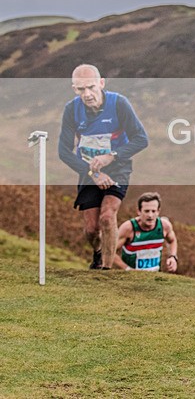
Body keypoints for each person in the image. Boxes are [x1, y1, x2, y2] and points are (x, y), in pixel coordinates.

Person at [58, 64, 149, 269]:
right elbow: (64, 152)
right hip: (87, 171)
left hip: (118, 167)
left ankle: (106, 271)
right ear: (74, 89)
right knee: (91, 229)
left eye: (91, 87)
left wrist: (112, 156)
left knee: (107, 217)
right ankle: (98, 253)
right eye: (81, 89)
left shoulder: (119, 104)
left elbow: (141, 139)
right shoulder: (71, 110)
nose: (87, 94)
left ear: (101, 83)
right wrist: (92, 172)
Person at [114, 192, 178, 272]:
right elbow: (110, 252)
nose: (150, 215)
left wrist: (172, 257)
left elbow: (172, 240)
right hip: (130, 278)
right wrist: (127, 268)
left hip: (154, 276)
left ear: (158, 211)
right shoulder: (128, 228)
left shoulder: (164, 226)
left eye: (153, 211)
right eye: (146, 211)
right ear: (139, 211)